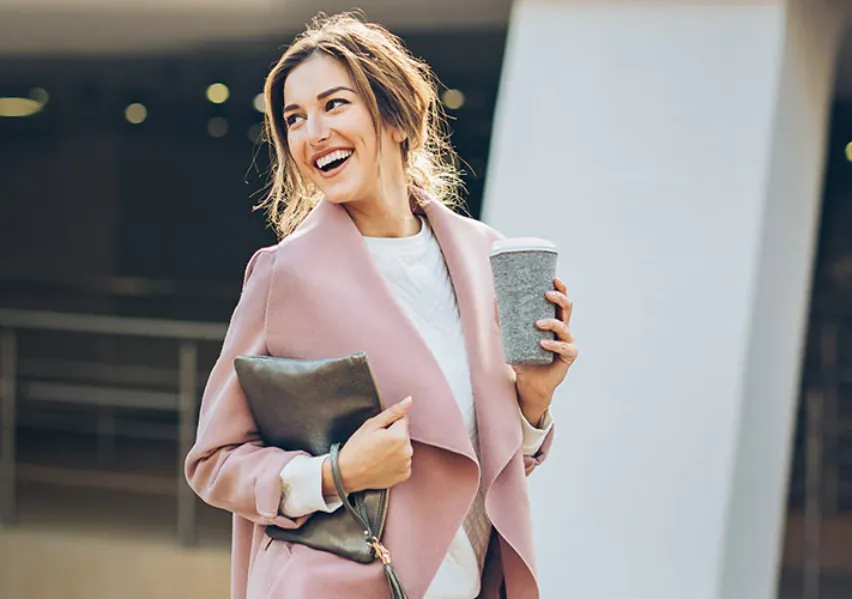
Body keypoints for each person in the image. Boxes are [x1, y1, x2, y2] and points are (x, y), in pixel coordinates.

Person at [185, 12, 578, 599]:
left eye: (334, 105)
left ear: (398, 115)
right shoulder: (285, 275)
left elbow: (479, 470)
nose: (314, 132)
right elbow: (214, 461)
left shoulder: (482, 257)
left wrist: (533, 400)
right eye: (295, 118)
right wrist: (336, 473)